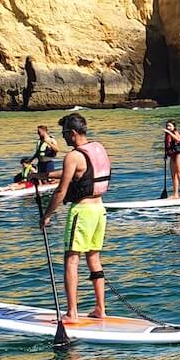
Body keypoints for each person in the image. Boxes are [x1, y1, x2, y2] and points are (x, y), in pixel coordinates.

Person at [39, 113, 111, 321]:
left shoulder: (73, 156)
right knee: (93, 258)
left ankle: (72, 313)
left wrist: (47, 216)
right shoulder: (98, 148)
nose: (63, 139)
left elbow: (61, 192)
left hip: (82, 211)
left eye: (64, 134)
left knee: (71, 259)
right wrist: (42, 176)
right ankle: (100, 309)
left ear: (72, 133)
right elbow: (80, 172)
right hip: (100, 210)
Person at [163, 120, 180, 198]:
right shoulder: (167, 135)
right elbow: (168, 146)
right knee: (173, 175)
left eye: (170, 126)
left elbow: (178, 139)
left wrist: (169, 132)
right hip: (172, 156)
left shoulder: (176, 132)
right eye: (167, 126)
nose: (168, 127)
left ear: (174, 127)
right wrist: (166, 155)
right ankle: (176, 194)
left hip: (179, 156)